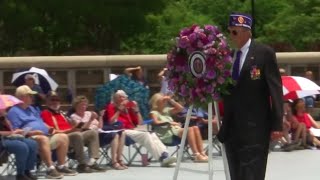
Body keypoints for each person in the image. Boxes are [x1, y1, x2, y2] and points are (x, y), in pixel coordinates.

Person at [217, 13, 283, 180]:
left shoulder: (264, 53)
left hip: (255, 128)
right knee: (236, 174)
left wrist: (277, 124)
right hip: (232, 129)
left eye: (235, 32)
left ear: (247, 32)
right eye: (230, 31)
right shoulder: (228, 58)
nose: (231, 36)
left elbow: (275, 89)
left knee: (253, 174)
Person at [7, 85, 77, 179]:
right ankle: (50, 169)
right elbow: (15, 132)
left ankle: (61, 166)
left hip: (45, 135)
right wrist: (33, 132)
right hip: (30, 138)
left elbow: (41, 122)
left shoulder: (32, 109)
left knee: (63, 136)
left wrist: (50, 128)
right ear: (22, 97)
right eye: (30, 95)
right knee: (43, 139)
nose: (32, 97)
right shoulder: (13, 111)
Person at [104, 90, 177, 167]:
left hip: (132, 131)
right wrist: (119, 110)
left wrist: (136, 110)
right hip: (120, 131)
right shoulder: (111, 106)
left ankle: (165, 155)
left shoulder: (128, 109)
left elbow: (140, 123)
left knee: (152, 134)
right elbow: (111, 122)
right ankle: (162, 158)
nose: (124, 99)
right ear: (116, 99)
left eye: (125, 97)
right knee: (146, 135)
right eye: (121, 97)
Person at [41, 91, 106, 173]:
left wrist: (75, 126)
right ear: (47, 101)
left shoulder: (61, 113)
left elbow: (71, 126)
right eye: (52, 100)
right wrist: (71, 130)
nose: (55, 102)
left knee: (92, 133)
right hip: (61, 137)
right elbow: (52, 131)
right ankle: (82, 164)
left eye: (57, 100)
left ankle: (92, 161)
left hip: (72, 134)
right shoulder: (45, 113)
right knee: (76, 135)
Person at [69, 95, 127, 170]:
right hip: (85, 138)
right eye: (81, 105)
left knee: (116, 134)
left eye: (85, 105)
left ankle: (115, 160)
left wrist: (100, 117)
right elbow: (81, 129)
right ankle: (95, 160)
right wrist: (90, 120)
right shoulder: (74, 116)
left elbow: (100, 127)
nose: (83, 107)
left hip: (98, 134)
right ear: (76, 106)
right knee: (93, 132)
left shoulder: (89, 113)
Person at [149, 93, 208, 162]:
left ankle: (202, 153)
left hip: (175, 131)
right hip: (167, 135)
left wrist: (170, 100)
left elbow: (181, 109)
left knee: (195, 128)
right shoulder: (153, 112)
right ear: (157, 103)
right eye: (163, 101)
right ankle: (196, 154)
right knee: (189, 130)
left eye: (165, 101)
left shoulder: (166, 110)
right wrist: (170, 123)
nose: (165, 103)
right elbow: (156, 122)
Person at [0, 111, 38, 180]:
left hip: (10, 137)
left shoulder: (2, 118)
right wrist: (12, 132)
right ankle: (20, 174)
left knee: (32, 143)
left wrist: (4, 118)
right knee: (22, 147)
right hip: (2, 140)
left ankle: (27, 170)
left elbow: (11, 129)